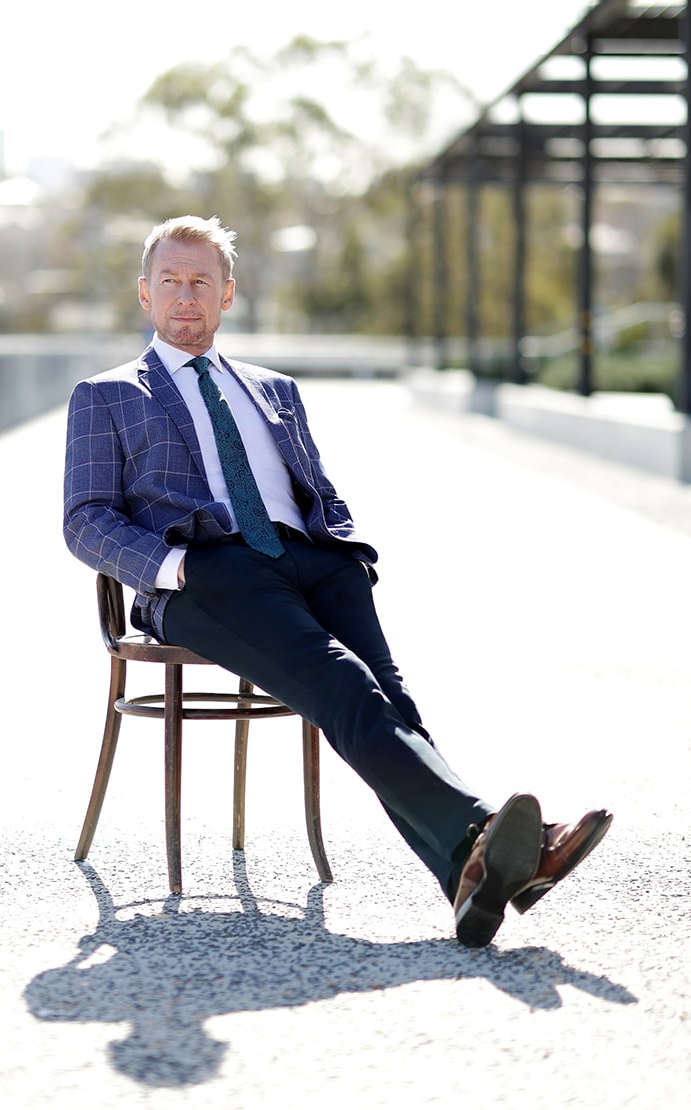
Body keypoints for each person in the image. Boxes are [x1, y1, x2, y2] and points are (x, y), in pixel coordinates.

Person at [63, 214, 612, 947]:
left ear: (229, 295)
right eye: (171, 281)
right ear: (144, 295)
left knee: (389, 698)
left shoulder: (276, 390)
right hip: (205, 575)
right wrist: (175, 566)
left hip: (315, 562)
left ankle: (472, 874)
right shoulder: (106, 395)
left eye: (202, 282)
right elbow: (85, 519)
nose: (185, 296)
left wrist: (345, 547)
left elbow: (319, 488)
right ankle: (496, 844)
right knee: (343, 684)